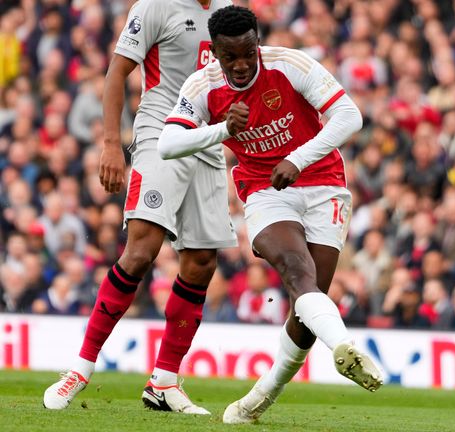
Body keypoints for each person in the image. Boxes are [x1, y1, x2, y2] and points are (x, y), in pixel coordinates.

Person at [155, 6, 382, 424]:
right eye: (230, 58)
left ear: (257, 43)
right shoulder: (203, 85)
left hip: (324, 185)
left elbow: (350, 115)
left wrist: (297, 159)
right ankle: (345, 348)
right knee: (298, 272)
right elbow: (167, 144)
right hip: (264, 192)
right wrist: (224, 130)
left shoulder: (290, 64)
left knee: (307, 308)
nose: (240, 66)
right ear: (216, 54)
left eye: (247, 53)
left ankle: (260, 397)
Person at [43, 0, 238, 415]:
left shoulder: (228, 8)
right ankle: (79, 369)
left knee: (202, 261)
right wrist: (111, 144)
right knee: (141, 251)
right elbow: (116, 73)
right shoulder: (153, 6)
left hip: (207, 141)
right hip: (160, 135)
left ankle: (164, 381)